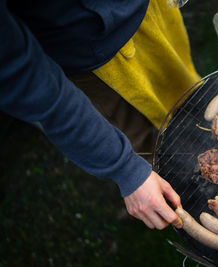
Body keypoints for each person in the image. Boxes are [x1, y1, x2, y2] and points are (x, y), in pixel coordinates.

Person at [0, 0, 200, 230]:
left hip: (151, 12)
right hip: (90, 61)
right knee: (141, 147)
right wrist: (127, 169)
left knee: (188, 100)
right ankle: (176, 195)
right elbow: (23, 78)